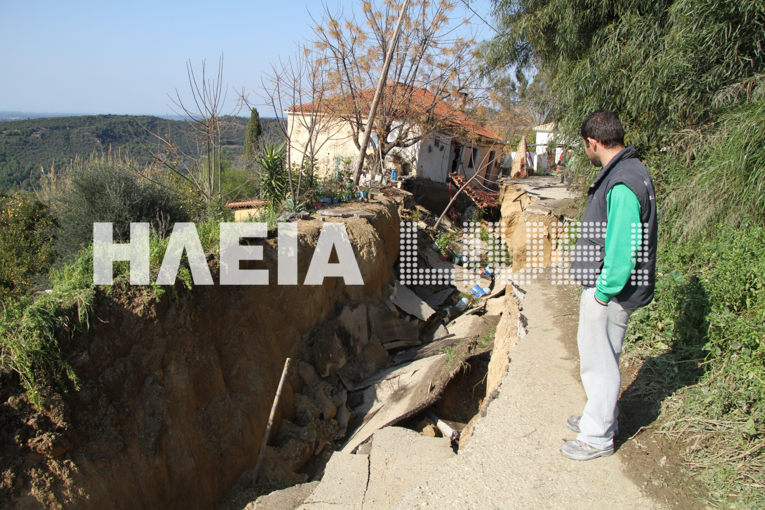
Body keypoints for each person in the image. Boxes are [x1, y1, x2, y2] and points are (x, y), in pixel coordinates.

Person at [562, 111, 658, 461]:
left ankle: (596, 438)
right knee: (606, 358)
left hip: (611, 293)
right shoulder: (632, 171)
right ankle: (599, 418)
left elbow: (621, 249)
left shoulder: (621, 182)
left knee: (597, 364)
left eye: (584, 145)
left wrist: (603, 292)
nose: (585, 151)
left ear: (593, 142)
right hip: (616, 292)